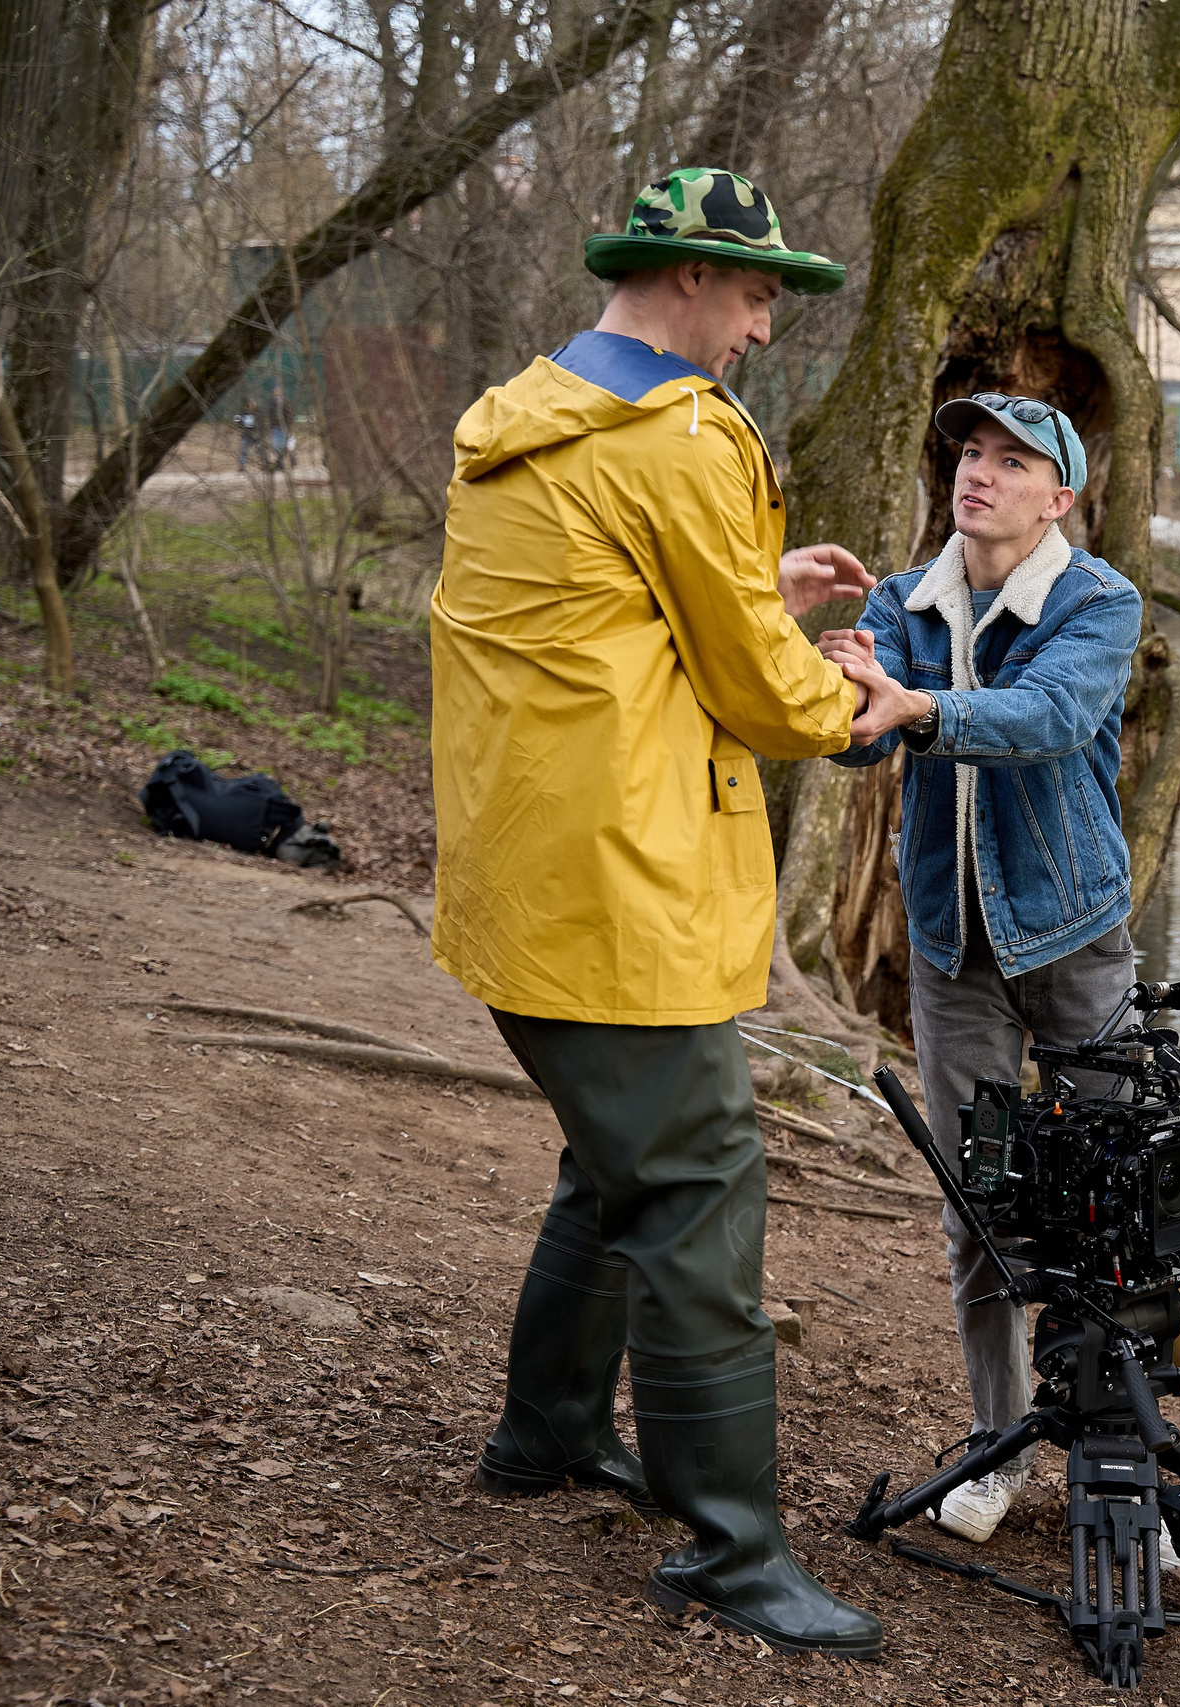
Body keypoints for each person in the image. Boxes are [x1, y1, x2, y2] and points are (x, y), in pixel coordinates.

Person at [429, 167, 886, 1656]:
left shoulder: (531, 412)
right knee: (695, 1187)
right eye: (755, 294)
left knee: (611, 1160)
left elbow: (604, 613)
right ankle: (735, 1552)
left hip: (526, 883)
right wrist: (860, 704)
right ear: (687, 276)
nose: (762, 328)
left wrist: (756, 585)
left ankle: (548, 1431)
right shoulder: (684, 434)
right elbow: (756, 689)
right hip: (623, 889)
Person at [815, 392, 1157, 1558]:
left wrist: (917, 706)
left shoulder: (1098, 602)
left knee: (1107, 1206)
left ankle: (1118, 1466)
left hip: (1074, 937)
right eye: (970, 452)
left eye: (1013, 461)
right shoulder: (900, 603)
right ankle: (998, 1443)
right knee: (980, 1204)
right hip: (950, 951)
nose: (981, 473)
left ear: (1058, 498)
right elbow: (846, 735)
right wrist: (840, 689)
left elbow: (1047, 716)